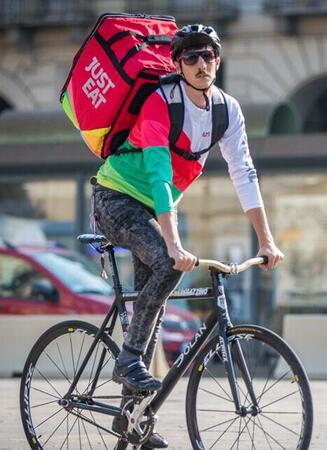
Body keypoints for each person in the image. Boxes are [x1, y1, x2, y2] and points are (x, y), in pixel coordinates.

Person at [91, 24, 284, 448]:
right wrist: (173, 243)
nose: (201, 64)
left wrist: (266, 241)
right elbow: (160, 176)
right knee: (166, 262)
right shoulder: (162, 102)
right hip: (116, 197)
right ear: (177, 64)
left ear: (218, 60)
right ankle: (126, 361)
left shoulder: (227, 111)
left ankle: (132, 421)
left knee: (153, 310)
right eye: (191, 57)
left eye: (208, 56)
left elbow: (244, 173)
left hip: (153, 210)